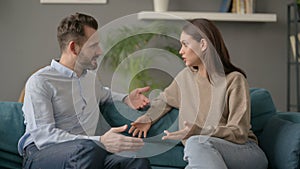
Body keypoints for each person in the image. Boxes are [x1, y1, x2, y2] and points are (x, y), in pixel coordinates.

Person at [18, 12, 152, 169]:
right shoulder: (40, 81)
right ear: (74, 48)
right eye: (93, 46)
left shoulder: (90, 79)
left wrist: (126, 99)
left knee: (135, 161)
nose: (100, 51)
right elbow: (44, 137)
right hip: (41, 155)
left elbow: (105, 93)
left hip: (88, 154)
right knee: (89, 149)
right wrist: (100, 141)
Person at [129, 18, 268, 169]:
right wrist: (148, 118)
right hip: (202, 151)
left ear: (203, 44)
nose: (180, 50)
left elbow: (239, 133)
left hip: (243, 151)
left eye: (185, 44)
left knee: (195, 142)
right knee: (196, 144)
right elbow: (165, 100)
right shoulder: (185, 77)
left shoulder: (234, 80)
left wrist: (199, 131)